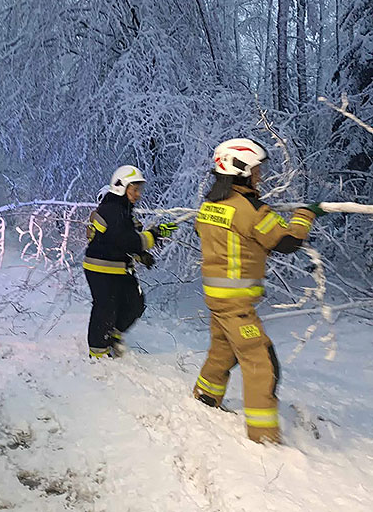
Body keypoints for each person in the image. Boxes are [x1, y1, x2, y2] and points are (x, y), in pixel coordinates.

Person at [193, 138, 327, 443]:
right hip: (237, 303)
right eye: (256, 169)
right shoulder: (250, 209)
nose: (260, 176)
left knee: (222, 352)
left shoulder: (209, 205)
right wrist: (306, 216)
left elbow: (208, 233)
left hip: (216, 298)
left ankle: (205, 397)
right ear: (240, 170)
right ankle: (263, 436)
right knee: (262, 363)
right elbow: (286, 242)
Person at [83, 165, 178, 358]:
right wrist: (154, 234)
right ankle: (98, 355)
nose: (138, 195)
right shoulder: (113, 210)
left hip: (117, 268)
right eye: (134, 189)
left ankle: (113, 336)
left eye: (138, 190)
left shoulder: (123, 212)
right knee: (105, 308)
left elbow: (122, 242)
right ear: (121, 187)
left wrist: (140, 255)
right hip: (100, 268)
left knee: (134, 303)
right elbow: (128, 240)